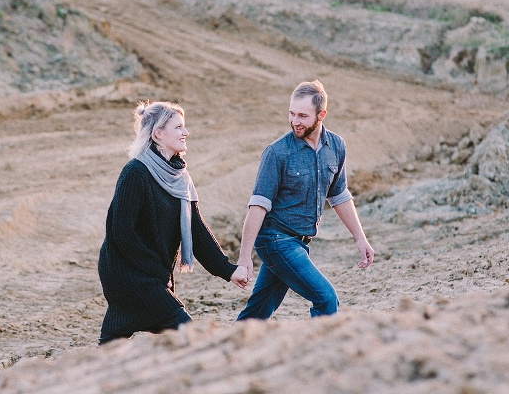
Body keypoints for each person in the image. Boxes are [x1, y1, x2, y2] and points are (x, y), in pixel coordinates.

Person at [98, 101, 249, 345]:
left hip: (151, 273)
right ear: (158, 134)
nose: (185, 132)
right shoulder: (135, 173)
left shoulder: (179, 177)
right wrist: (158, 273)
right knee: (187, 333)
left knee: (114, 339)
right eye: (178, 127)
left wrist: (227, 270)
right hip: (125, 272)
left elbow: (196, 230)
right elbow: (122, 233)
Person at [236, 80, 374, 321]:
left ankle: (231, 343)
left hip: (299, 242)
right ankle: (320, 346)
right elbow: (258, 206)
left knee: (259, 311)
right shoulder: (277, 152)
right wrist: (244, 256)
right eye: (291, 113)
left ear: (321, 115)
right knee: (326, 298)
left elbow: (339, 196)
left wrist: (360, 238)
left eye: (302, 115)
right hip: (275, 240)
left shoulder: (336, 146)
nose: (294, 121)